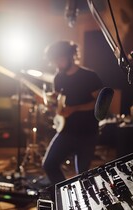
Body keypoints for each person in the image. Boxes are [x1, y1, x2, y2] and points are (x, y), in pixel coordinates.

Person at [42, 40, 103, 185]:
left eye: (59, 59)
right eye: (54, 61)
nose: (57, 64)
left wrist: (75, 108)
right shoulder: (58, 77)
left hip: (87, 133)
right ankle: (65, 192)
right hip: (66, 131)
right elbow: (59, 101)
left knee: (82, 176)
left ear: (70, 56)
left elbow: (100, 104)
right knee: (49, 164)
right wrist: (51, 101)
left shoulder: (90, 76)